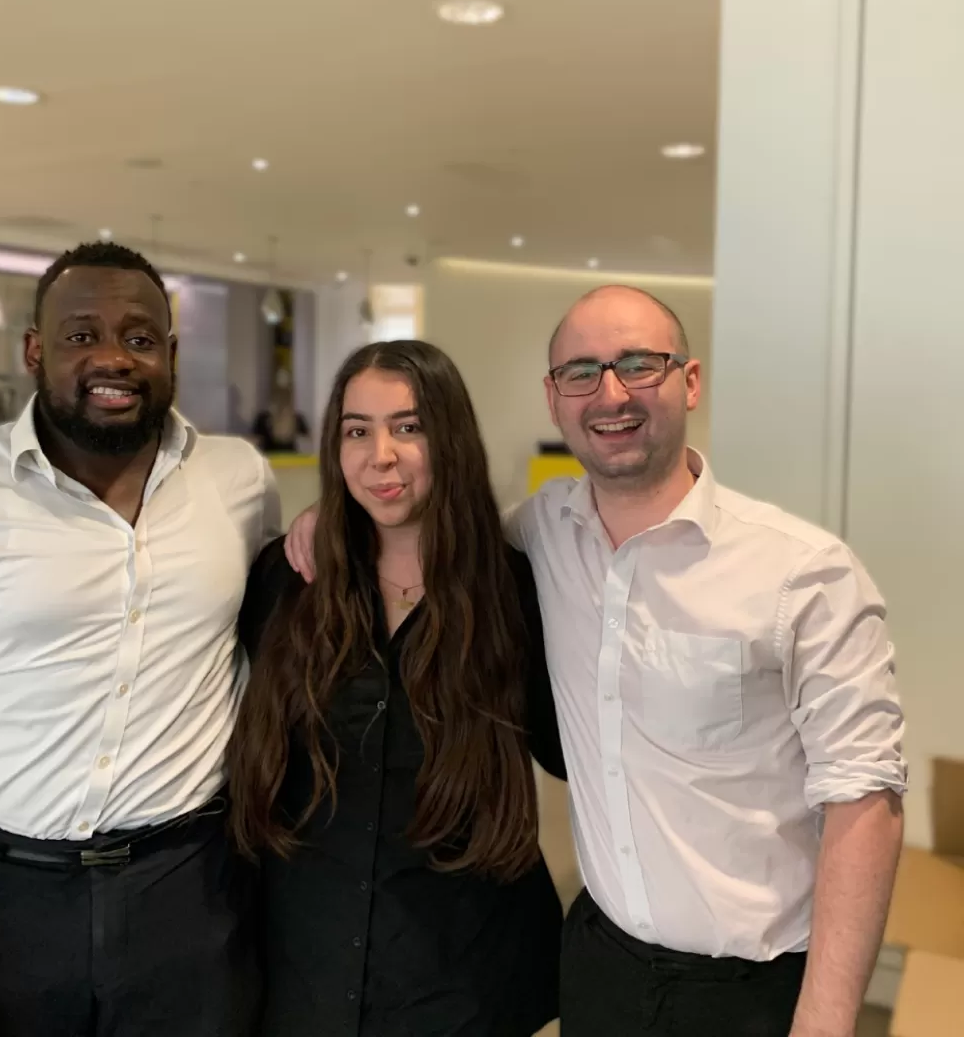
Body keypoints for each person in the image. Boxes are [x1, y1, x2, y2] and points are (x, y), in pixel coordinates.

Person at [286, 286, 906, 1037]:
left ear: (691, 380)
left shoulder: (803, 573)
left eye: (639, 364)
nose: (610, 394)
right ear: (554, 397)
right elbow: (433, 526)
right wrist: (331, 513)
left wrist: (828, 1019)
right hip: (599, 965)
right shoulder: (540, 534)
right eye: (582, 372)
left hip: (754, 990)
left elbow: (865, 802)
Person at [0, 241, 279, 1037]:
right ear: (35, 351)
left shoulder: (239, 482)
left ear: (171, 354)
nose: (114, 357)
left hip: (192, 893)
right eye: (82, 335)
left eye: (140, 338)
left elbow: (270, 641)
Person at [230, 339, 565, 1037]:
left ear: (452, 440)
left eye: (408, 427)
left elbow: (572, 755)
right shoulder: (285, 585)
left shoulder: (518, 596)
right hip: (305, 981)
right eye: (357, 430)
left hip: (461, 984)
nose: (380, 455)